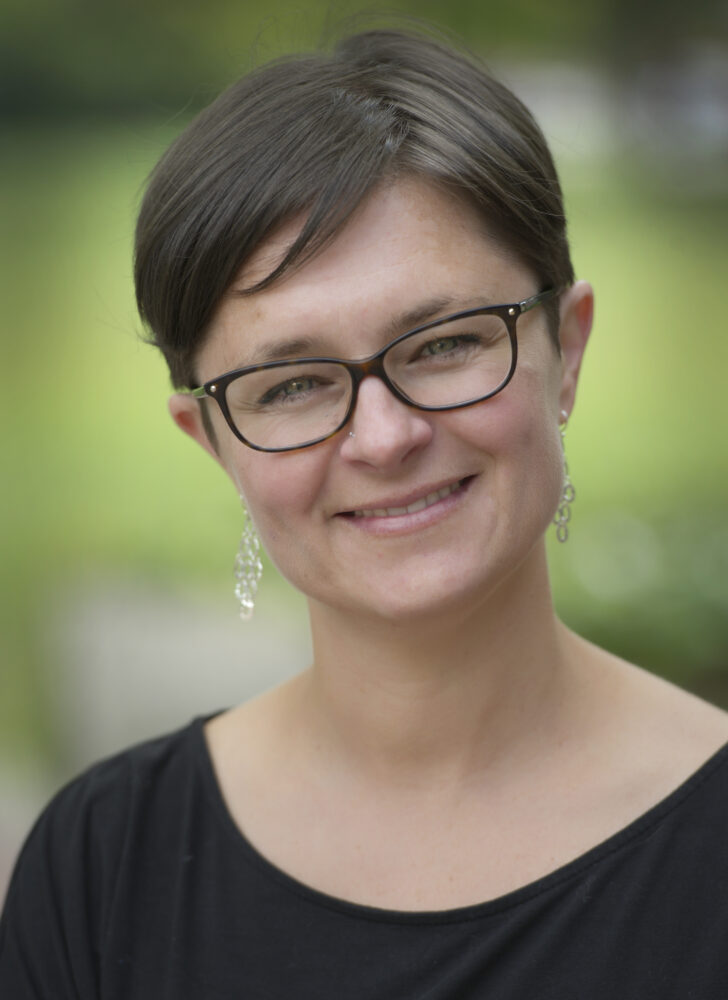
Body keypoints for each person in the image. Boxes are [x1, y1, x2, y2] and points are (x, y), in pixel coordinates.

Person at [2, 27, 728, 999]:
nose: (382, 438)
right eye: (292, 384)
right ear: (210, 440)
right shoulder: (102, 864)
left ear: (567, 346)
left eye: (438, 344)